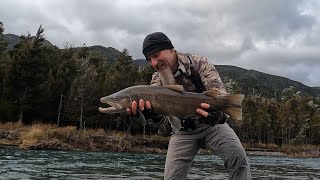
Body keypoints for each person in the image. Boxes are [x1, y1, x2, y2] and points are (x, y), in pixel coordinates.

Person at [126, 32, 251, 180]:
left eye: (156, 54)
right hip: (182, 131)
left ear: (171, 49)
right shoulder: (156, 82)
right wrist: (155, 117)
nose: (154, 63)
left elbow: (220, 96)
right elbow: (167, 130)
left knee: (239, 159)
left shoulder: (200, 63)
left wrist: (219, 115)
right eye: (149, 59)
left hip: (212, 125)